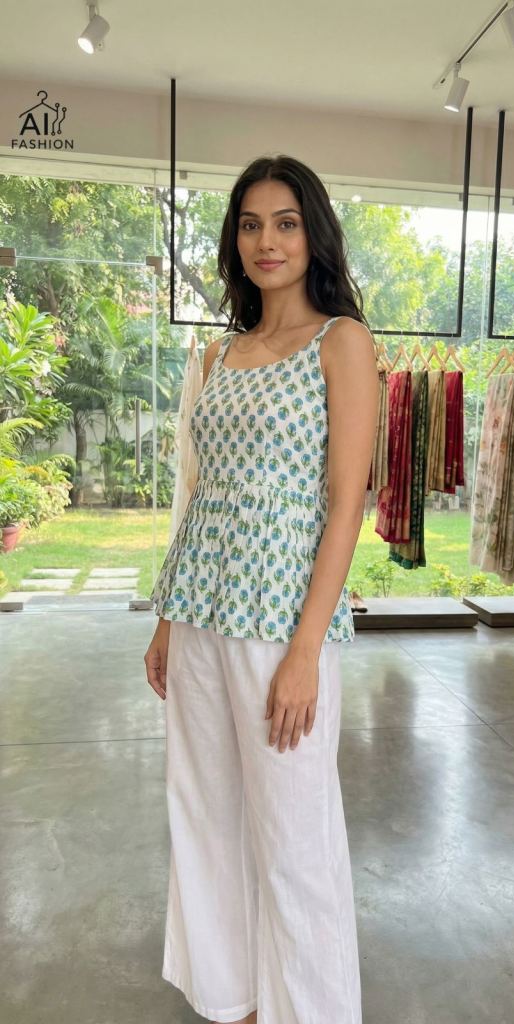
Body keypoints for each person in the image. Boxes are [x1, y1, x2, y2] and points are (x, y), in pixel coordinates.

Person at [144, 153, 380, 1024]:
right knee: (206, 816)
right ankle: (232, 1000)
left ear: (313, 235)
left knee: (293, 836)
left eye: (285, 222)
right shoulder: (221, 352)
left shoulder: (340, 342)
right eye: (250, 224)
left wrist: (306, 649)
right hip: (198, 614)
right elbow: (198, 493)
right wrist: (166, 620)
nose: (266, 240)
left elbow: (344, 504)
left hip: (279, 623)